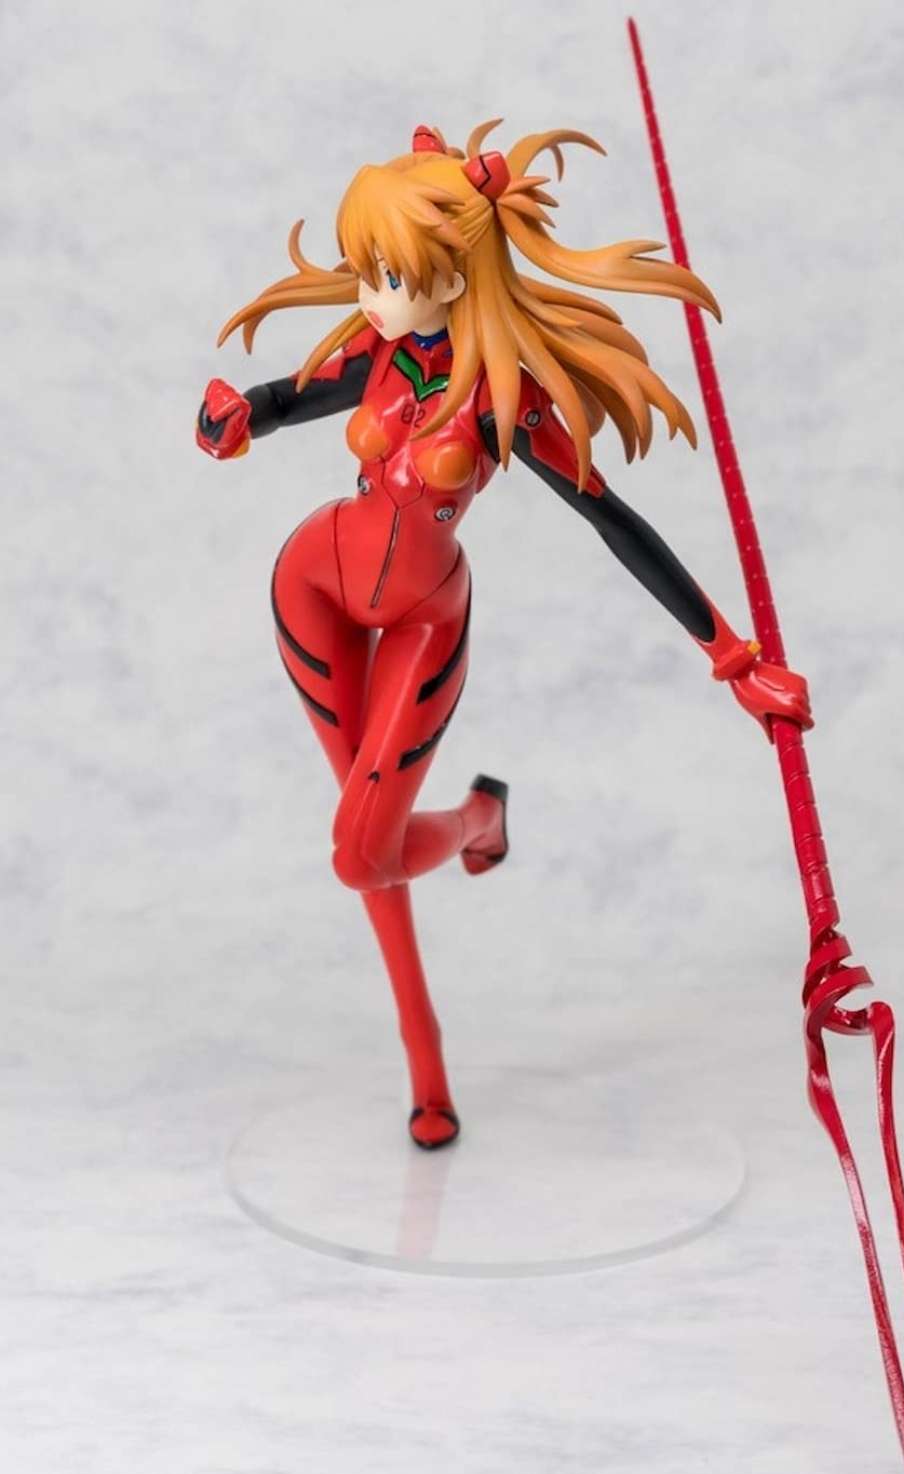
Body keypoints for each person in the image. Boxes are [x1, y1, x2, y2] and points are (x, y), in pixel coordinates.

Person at [196, 120, 812, 1151]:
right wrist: (232, 421)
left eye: (389, 274)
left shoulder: (503, 402)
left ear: (453, 272)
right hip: (312, 586)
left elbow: (614, 521)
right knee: (369, 853)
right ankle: (426, 1069)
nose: (369, 294)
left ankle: (481, 814)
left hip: (425, 618)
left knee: (362, 855)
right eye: (365, 269)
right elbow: (286, 397)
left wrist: (732, 657)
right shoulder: (378, 355)